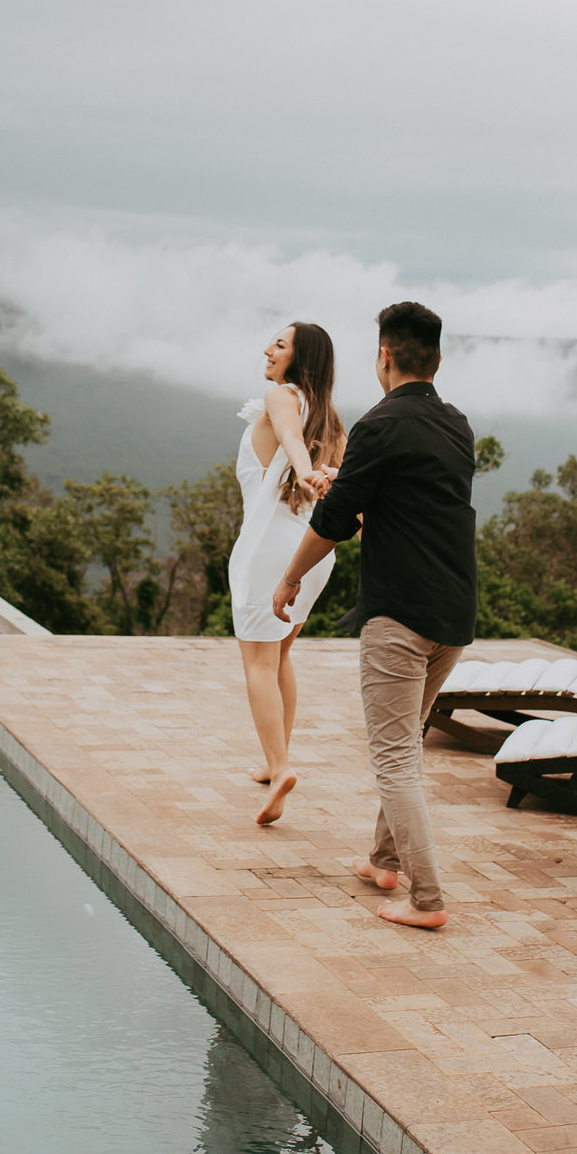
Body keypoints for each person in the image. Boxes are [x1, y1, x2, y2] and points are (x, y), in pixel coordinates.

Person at [273, 302, 477, 927]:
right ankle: (385, 862)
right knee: (406, 743)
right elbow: (409, 502)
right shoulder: (456, 425)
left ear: (385, 355)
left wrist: (291, 576)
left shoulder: (380, 423)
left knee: (393, 758)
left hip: (400, 613)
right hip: (453, 613)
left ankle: (428, 898)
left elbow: (335, 522)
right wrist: (352, 480)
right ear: (436, 358)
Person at [228, 322, 346, 826]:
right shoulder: (333, 422)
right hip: (312, 555)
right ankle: (275, 761)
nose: (267, 350)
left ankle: (279, 769)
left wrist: (304, 471)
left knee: (258, 662)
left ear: (300, 359)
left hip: (268, 550)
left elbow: (292, 439)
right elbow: (349, 490)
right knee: (279, 657)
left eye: (279, 345)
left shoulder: (281, 396)